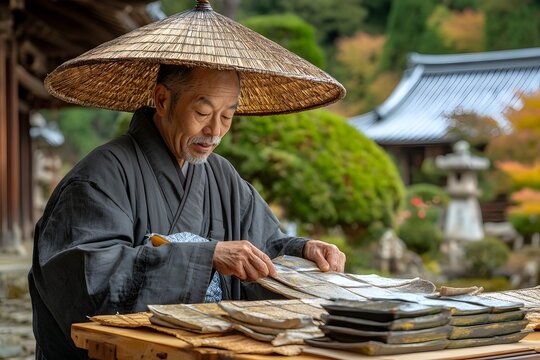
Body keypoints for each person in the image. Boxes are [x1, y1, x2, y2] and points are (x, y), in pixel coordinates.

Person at [29, 64, 346, 358]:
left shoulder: (222, 176)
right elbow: (88, 278)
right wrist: (204, 257)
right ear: (163, 100)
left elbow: (265, 248)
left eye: (227, 115)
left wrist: (303, 251)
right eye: (203, 111)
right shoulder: (100, 176)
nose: (215, 131)